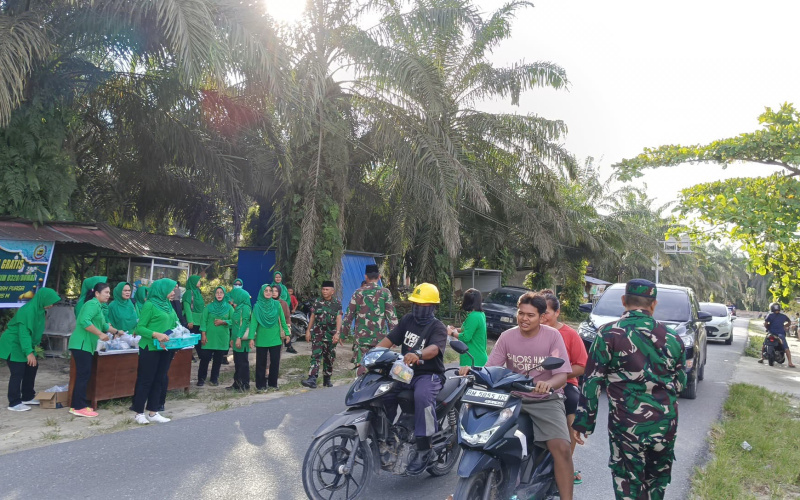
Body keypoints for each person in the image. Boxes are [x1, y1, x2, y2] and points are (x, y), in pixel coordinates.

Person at [573, 279, 686, 500]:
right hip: (665, 424)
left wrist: (584, 422)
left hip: (626, 426)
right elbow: (679, 384)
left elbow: (592, 380)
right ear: (654, 304)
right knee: (656, 483)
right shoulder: (673, 337)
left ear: (624, 301)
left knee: (628, 483)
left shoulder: (609, 333)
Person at [458, 292, 575, 500]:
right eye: (521, 313)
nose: (524, 319)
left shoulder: (552, 336)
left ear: (541, 316)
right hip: (511, 398)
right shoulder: (507, 336)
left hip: (545, 400)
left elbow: (562, 376)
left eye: (531, 315)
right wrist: (473, 370)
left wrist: (547, 384)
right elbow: (491, 366)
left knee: (562, 448)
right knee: (488, 438)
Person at [376, 283, 448, 475]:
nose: (417, 308)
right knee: (384, 393)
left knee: (423, 398)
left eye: (422, 305)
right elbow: (390, 339)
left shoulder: (438, 327)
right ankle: (388, 436)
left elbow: (434, 350)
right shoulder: (408, 319)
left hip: (428, 375)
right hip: (405, 372)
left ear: (432, 306)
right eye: (415, 303)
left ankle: (425, 448)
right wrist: (371, 355)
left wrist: (418, 354)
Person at [537, 289, 588, 485]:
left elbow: (582, 365)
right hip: (531, 384)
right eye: (539, 314)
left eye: (546, 314)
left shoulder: (569, 334)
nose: (542, 318)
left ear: (557, 313)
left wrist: (559, 376)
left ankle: (566, 463)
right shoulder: (527, 332)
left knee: (573, 409)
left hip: (565, 384)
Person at [0, 288, 61, 411]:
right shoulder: (27, 311)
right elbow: (24, 333)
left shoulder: (40, 310)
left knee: (32, 366)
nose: (52, 305)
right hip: (13, 344)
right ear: (43, 299)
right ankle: (14, 402)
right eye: (51, 302)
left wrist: (31, 349)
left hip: (24, 343)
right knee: (17, 372)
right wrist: (28, 352)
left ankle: (27, 396)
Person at [68, 281, 122, 418]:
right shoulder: (92, 304)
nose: (108, 295)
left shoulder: (99, 306)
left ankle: (79, 404)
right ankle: (78, 407)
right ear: (97, 293)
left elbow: (103, 325)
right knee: (83, 375)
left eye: (109, 293)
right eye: (106, 292)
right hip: (81, 344)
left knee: (85, 375)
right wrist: (99, 334)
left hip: (87, 345)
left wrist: (116, 331)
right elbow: (85, 322)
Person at [131, 278, 176, 424]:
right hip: (149, 347)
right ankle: (139, 413)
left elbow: (174, 323)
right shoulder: (149, 305)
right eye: (170, 289)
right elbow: (140, 328)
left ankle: (153, 411)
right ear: (162, 289)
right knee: (146, 380)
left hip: (165, 347)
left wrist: (179, 332)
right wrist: (156, 334)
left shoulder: (168, 305)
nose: (173, 292)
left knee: (160, 379)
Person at [342, 264, 398, 375]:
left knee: (361, 367)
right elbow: (391, 316)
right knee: (380, 368)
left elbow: (348, 316)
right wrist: (395, 337)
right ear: (379, 276)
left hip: (361, 339)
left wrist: (343, 334)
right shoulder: (385, 292)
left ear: (366, 277)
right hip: (381, 340)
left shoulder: (358, 293)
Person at [301, 281, 342, 389]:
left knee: (329, 357)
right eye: (323, 289)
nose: (324, 291)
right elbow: (313, 316)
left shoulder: (337, 303)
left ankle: (327, 379)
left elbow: (339, 318)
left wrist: (338, 333)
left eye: (327, 289)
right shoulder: (317, 302)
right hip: (318, 333)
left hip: (331, 334)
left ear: (332, 291)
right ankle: (312, 378)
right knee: (316, 355)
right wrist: (308, 330)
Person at [249, 285, 289, 391]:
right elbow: (253, 323)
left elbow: (283, 319)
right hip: (262, 339)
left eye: (270, 290)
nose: (268, 292)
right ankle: (260, 385)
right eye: (266, 291)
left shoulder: (277, 304)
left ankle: (273, 384)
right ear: (262, 292)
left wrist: (287, 333)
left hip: (275, 338)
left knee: (275, 363)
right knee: (261, 363)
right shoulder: (257, 306)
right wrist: (251, 338)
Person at [197, 286, 233, 386]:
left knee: (218, 361)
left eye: (221, 292)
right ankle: (201, 379)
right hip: (209, 338)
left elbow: (234, 321)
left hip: (222, 338)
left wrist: (223, 322)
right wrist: (203, 335)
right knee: (204, 359)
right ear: (214, 294)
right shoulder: (208, 307)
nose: (219, 294)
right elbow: (203, 322)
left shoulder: (229, 308)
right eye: (217, 292)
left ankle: (214, 379)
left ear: (224, 294)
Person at [446, 288, 488, 368]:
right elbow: (469, 329)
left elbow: (466, 337)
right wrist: (455, 329)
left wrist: (452, 333)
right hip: (478, 356)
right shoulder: (480, 314)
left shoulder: (473, 317)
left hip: (473, 359)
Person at [228, 288, 253, 391]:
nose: (232, 300)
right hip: (236, 339)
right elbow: (235, 323)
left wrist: (238, 338)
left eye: (234, 297)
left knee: (243, 363)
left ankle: (244, 385)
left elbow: (245, 324)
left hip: (242, 340)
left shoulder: (245, 308)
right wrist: (232, 338)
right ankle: (237, 383)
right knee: (237, 362)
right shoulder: (238, 308)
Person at [760, 303, 795, 367]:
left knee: (764, 345)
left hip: (771, 333)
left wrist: (767, 327)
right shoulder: (783, 316)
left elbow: (765, 323)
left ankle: (762, 358)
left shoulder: (770, 315)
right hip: (780, 335)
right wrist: (785, 326)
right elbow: (789, 322)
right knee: (786, 348)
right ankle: (790, 362)